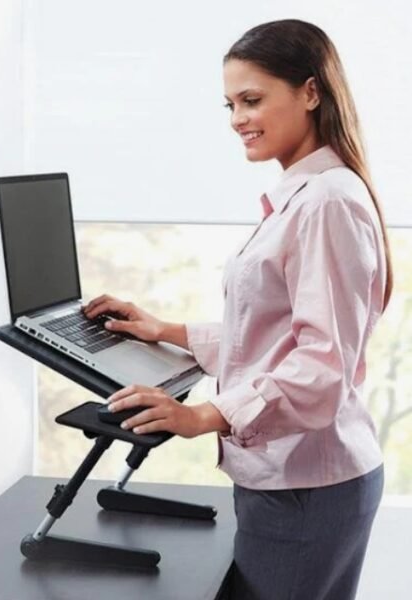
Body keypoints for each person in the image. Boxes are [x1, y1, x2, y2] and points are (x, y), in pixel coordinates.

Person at [82, 19, 392, 600]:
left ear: (310, 91)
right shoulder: (305, 196)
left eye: (252, 100)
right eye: (229, 105)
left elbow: (321, 366)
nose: (237, 120)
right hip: (298, 483)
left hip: (305, 487)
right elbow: (278, 335)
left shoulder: (325, 201)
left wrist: (205, 416)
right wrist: (164, 329)